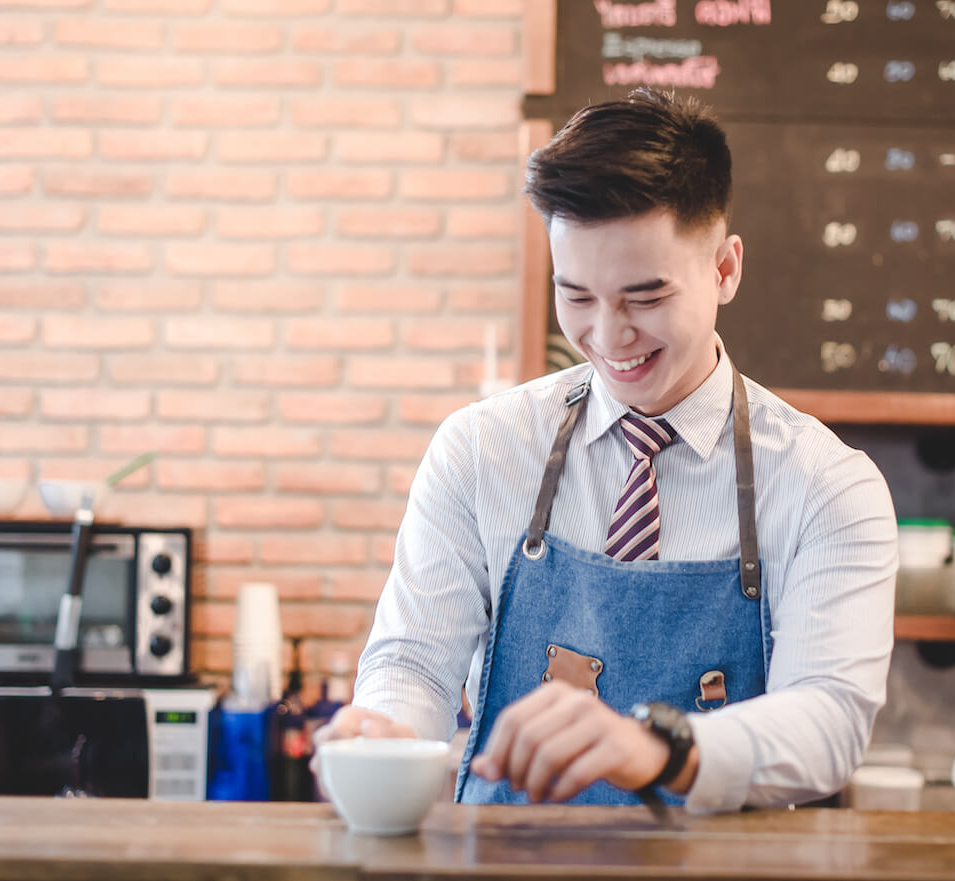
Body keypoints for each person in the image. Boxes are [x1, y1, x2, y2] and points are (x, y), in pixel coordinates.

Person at [314, 88, 898, 814]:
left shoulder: (825, 485)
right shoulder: (480, 451)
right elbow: (413, 662)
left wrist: (659, 748)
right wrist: (384, 730)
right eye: (577, 295)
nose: (609, 335)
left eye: (645, 297)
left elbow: (829, 721)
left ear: (724, 269)